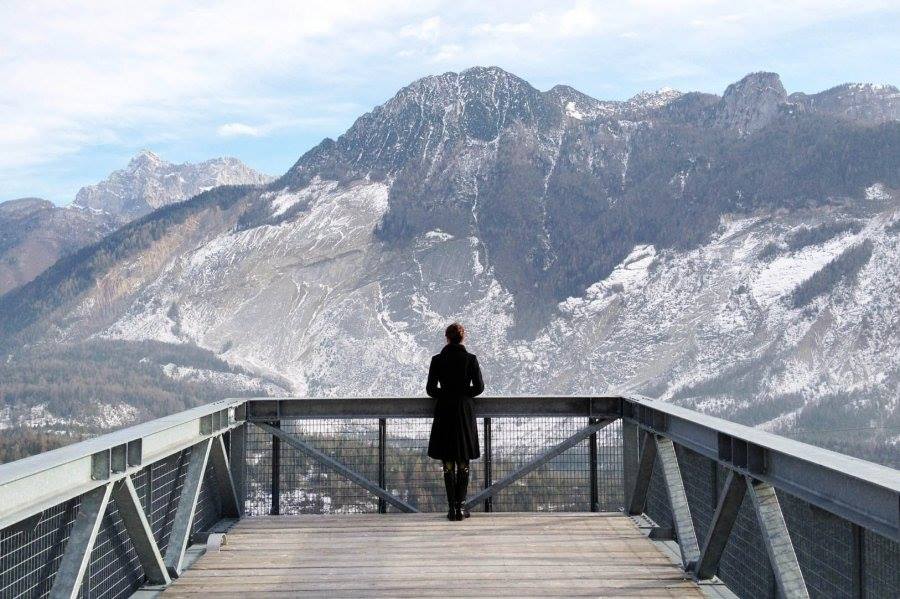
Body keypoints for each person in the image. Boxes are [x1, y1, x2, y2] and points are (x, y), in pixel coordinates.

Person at [426, 322, 485, 521]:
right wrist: (463, 393)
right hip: (464, 413)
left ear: (447, 338)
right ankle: (461, 507)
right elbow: (478, 388)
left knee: (448, 462)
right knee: (463, 461)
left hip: (444, 412)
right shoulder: (471, 359)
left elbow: (431, 390)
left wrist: (447, 393)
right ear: (463, 338)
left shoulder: (437, 360)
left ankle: (452, 508)